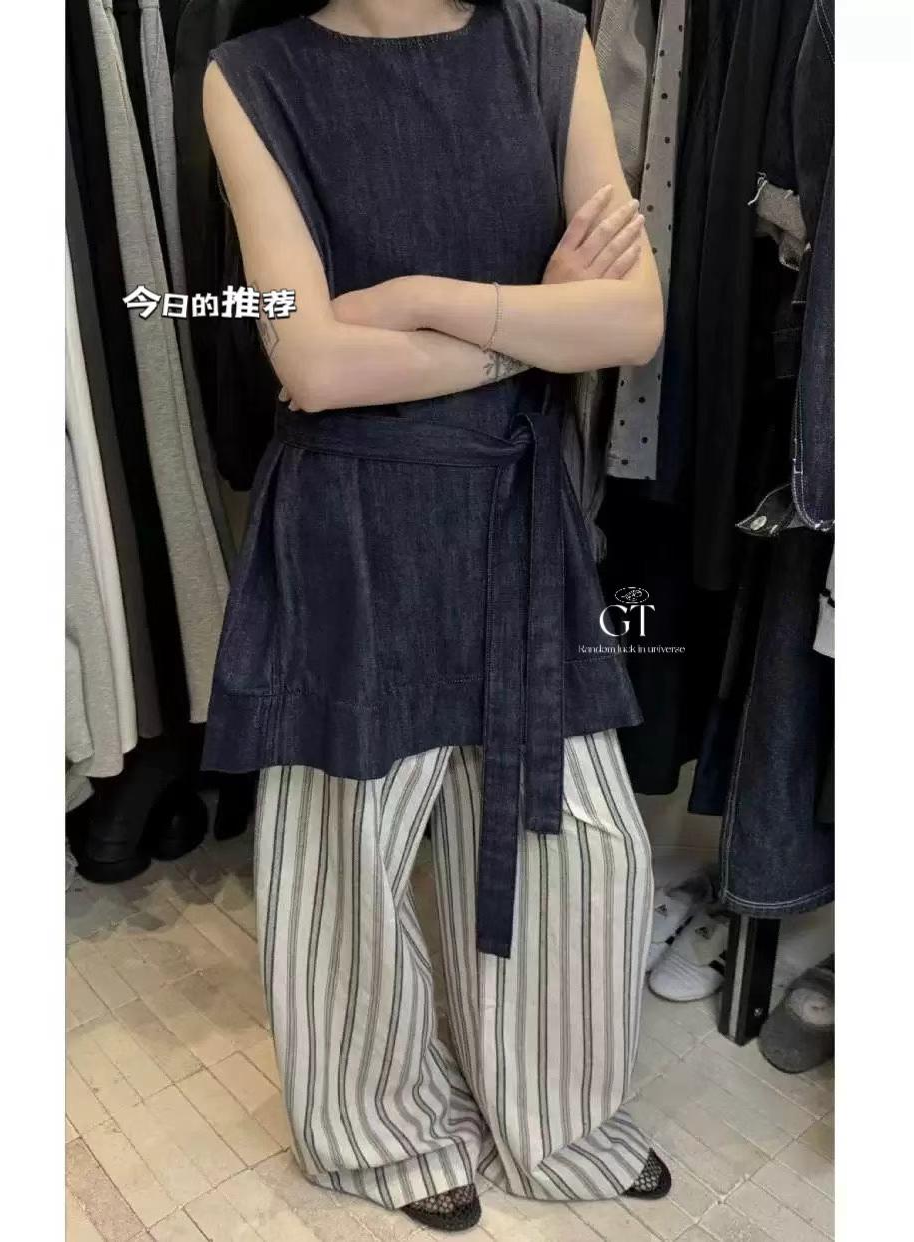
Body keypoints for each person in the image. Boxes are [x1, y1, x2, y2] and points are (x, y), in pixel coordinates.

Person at [202, 0, 669, 1230]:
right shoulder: (250, 74)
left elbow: (630, 321)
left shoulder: (547, 42)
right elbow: (312, 367)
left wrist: (416, 297)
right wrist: (533, 324)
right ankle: (380, 1131)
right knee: (347, 853)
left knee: (580, 841)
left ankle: (559, 1119)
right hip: (352, 522)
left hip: (516, 508)